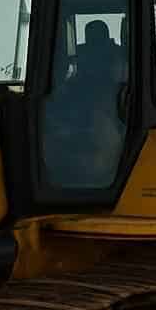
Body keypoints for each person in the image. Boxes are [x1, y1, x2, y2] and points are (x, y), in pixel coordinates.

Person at [41, 18, 127, 189]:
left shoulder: (121, 93)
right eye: (90, 56)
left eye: (101, 57)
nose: (93, 63)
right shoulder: (68, 91)